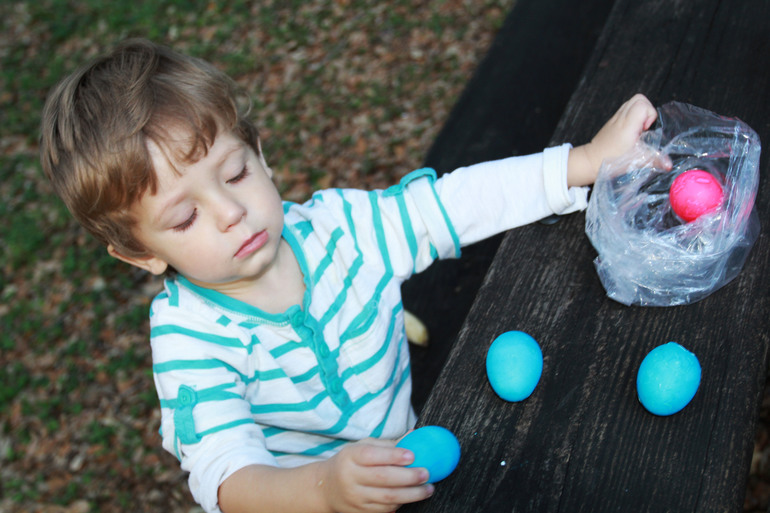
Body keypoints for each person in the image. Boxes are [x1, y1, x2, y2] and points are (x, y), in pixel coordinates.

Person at [40, 38, 659, 513]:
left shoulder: (342, 231)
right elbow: (227, 478)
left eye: (235, 174)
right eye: (184, 217)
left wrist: (582, 162)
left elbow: (450, 204)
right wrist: (325, 489)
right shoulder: (190, 340)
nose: (230, 212)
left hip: (400, 462)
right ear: (141, 253)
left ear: (261, 155)